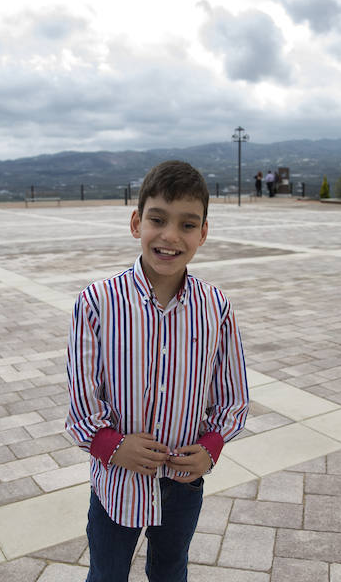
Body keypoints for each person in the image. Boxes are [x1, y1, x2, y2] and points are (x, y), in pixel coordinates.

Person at [65, 160, 250, 582]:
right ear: (136, 223)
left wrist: (212, 446)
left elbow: (234, 398)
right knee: (107, 573)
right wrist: (112, 445)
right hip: (117, 483)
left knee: (170, 572)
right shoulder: (97, 302)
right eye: (157, 219)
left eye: (187, 224)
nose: (170, 236)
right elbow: (81, 407)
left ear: (203, 233)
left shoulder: (215, 307)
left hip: (184, 483)